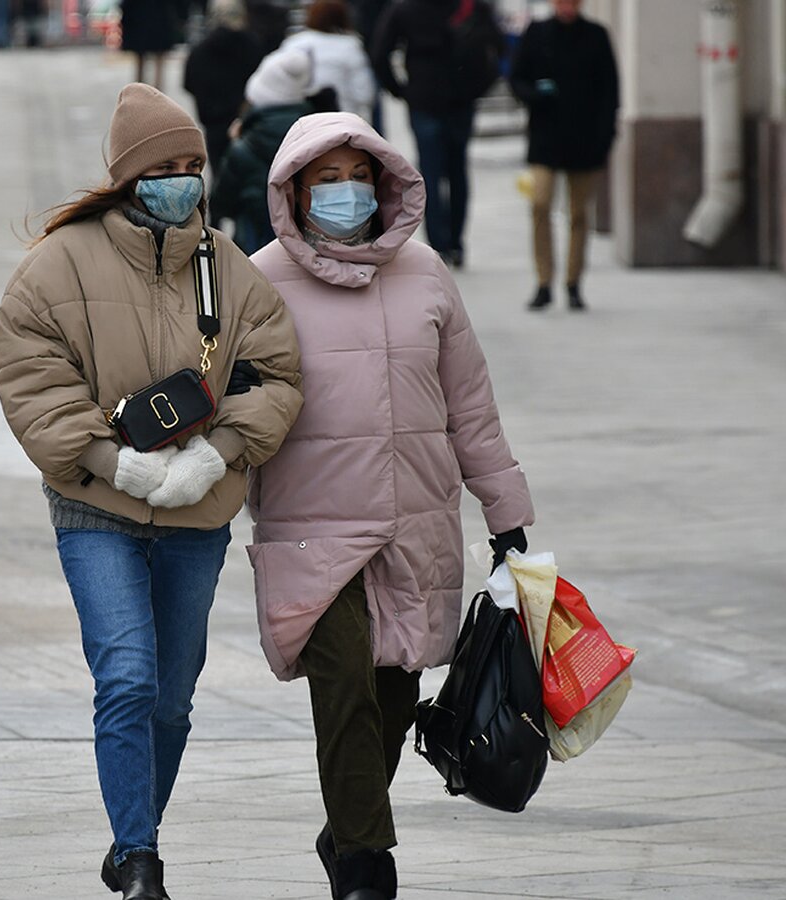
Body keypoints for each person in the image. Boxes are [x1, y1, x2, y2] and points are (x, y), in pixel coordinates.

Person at [0, 84, 304, 900]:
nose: (184, 180)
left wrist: (219, 454)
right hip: (96, 508)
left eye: (193, 165)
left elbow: (276, 374)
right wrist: (110, 459)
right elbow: (31, 376)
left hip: (198, 515)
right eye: (165, 166)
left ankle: (136, 836)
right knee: (126, 678)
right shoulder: (57, 264)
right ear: (128, 175)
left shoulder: (227, 266)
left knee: (170, 698)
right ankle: (139, 859)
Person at [247, 112, 534, 900]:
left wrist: (504, 515)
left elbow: (470, 405)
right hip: (313, 529)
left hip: (415, 520)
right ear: (295, 193)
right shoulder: (260, 279)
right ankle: (368, 869)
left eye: (357, 177)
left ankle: (345, 825)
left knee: (395, 691)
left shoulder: (426, 272)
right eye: (325, 180)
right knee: (341, 687)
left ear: (382, 182)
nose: (345, 193)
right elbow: (239, 407)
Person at [371, 0, 504, 267]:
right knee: (457, 170)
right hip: (458, 97)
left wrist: (401, 90)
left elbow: (379, 53)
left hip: (426, 98)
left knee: (430, 172)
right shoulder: (470, 6)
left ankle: (440, 243)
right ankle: (454, 242)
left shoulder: (407, 9)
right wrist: (480, 85)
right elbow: (500, 48)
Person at [509, 0, 618, 311]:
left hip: (585, 140)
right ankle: (544, 281)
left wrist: (605, 136)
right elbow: (517, 78)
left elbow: (609, 90)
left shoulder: (596, 35)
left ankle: (573, 282)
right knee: (540, 203)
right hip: (545, 137)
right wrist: (535, 96)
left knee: (579, 213)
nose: (567, 6)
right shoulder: (538, 33)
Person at [211, 46, 313, 254]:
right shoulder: (316, 140)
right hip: (306, 248)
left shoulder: (244, 147)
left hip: (254, 247)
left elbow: (222, 202)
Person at [182, 0, 266, 179]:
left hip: (213, 122)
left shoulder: (200, 51)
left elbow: (188, 83)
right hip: (246, 120)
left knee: (220, 176)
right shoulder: (253, 44)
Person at [280, 0, 377, 123]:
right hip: (342, 119)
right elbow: (364, 93)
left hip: (300, 119)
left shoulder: (293, 44)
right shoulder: (350, 46)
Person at [120, 0, 180, 91]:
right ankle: (157, 91)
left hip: (139, 20)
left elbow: (126, 5)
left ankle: (139, 90)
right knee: (159, 59)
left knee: (140, 59)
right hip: (161, 19)